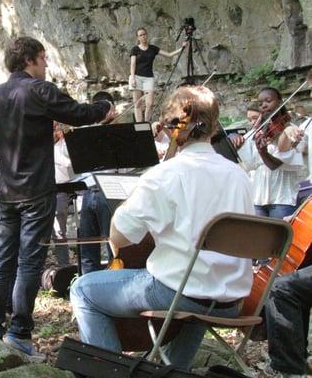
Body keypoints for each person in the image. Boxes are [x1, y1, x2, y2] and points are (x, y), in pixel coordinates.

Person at [70, 86, 255, 371]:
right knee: (195, 291)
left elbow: (120, 236)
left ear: (171, 127)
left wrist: (128, 205)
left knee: (83, 289)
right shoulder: (238, 175)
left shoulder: (164, 175)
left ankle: (111, 373)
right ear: (214, 125)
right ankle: (172, 371)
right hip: (230, 300)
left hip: (182, 293)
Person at [0, 36, 113, 358]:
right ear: (31, 59)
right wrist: (106, 107)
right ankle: (19, 334)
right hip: (37, 191)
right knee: (29, 263)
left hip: (6, 193)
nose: (46, 65)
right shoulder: (39, 90)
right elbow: (79, 113)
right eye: (44, 59)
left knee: (1, 261)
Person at [236, 87, 305, 219]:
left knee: (281, 238)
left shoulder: (293, 131)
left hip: (281, 199)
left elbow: (275, 165)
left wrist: (263, 152)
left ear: (279, 102)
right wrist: (238, 145)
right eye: (260, 104)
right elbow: (249, 165)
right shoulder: (260, 132)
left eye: (268, 101)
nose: (264, 105)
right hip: (258, 198)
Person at [78, 91, 117, 274]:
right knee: (87, 247)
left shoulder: (119, 133)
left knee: (114, 245)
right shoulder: (85, 132)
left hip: (110, 190)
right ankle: (88, 285)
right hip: (87, 192)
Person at [130, 27, 186, 123]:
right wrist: (133, 78)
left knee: (150, 103)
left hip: (148, 78)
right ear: (138, 38)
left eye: (144, 34)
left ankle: (146, 123)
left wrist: (182, 48)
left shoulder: (152, 48)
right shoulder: (135, 49)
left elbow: (169, 54)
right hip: (137, 77)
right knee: (138, 104)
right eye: (141, 35)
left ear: (147, 35)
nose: (143, 36)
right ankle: (139, 125)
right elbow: (133, 64)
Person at [51, 121, 73, 266]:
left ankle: (64, 266)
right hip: (40, 189)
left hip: (60, 189)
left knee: (59, 231)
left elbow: (69, 163)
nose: (56, 129)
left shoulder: (65, 144)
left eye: (57, 126)